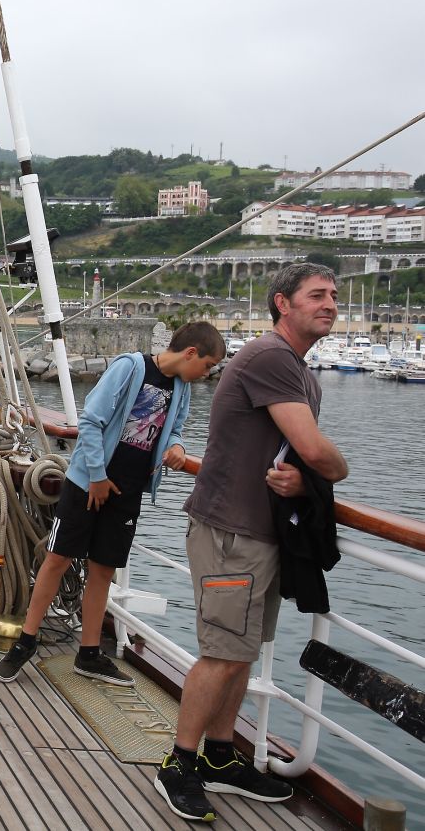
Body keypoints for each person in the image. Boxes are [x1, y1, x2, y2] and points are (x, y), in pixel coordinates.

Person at [155, 264, 346, 823]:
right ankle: (179, 764)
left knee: (241, 653)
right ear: (282, 303)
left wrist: (305, 477)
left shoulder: (300, 374)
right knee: (221, 654)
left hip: (261, 534)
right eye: (316, 295)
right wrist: (335, 469)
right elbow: (313, 451)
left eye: (333, 295)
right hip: (230, 532)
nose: (329, 303)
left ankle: (219, 756)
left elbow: (293, 459)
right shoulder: (270, 358)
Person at [0, 322, 225, 686]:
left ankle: (88, 654)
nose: (208, 373)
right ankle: (26, 641)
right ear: (191, 353)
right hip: (88, 484)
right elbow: (91, 421)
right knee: (58, 559)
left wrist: (176, 447)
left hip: (129, 492)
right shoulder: (131, 368)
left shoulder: (181, 388)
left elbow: (174, 428)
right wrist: (98, 477)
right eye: (209, 365)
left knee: (103, 570)